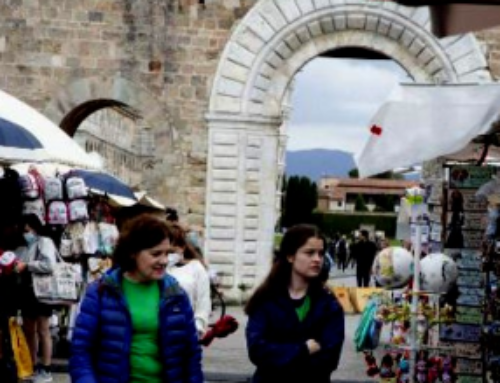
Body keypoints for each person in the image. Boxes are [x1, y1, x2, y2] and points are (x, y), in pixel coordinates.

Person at [70, 214, 203, 383]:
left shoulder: (175, 294)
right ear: (133, 252)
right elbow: (81, 351)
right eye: (156, 254)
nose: (164, 261)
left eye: (167, 253)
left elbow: (191, 353)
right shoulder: (101, 292)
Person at [245, 224, 345, 383]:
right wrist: (303, 349)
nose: (317, 259)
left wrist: (280, 356)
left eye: (320, 253)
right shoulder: (266, 300)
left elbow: (329, 359)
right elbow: (257, 350)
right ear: (290, 256)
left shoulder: (328, 304)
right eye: (309, 253)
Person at [14, 214, 57, 382]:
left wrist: (27, 265)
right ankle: (31, 366)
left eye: (28, 229)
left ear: (34, 227)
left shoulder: (45, 242)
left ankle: (46, 369)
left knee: (43, 330)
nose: (26, 233)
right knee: (29, 331)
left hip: (42, 292)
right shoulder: (22, 247)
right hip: (27, 293)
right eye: (24, 230)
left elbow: (49, 265)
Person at [167, 223, 211, 338]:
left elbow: (203, 301)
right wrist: (171, 259)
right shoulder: (159, 268)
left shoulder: (196, 267)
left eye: (174, 246)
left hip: (186, 330)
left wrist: (198, 327)